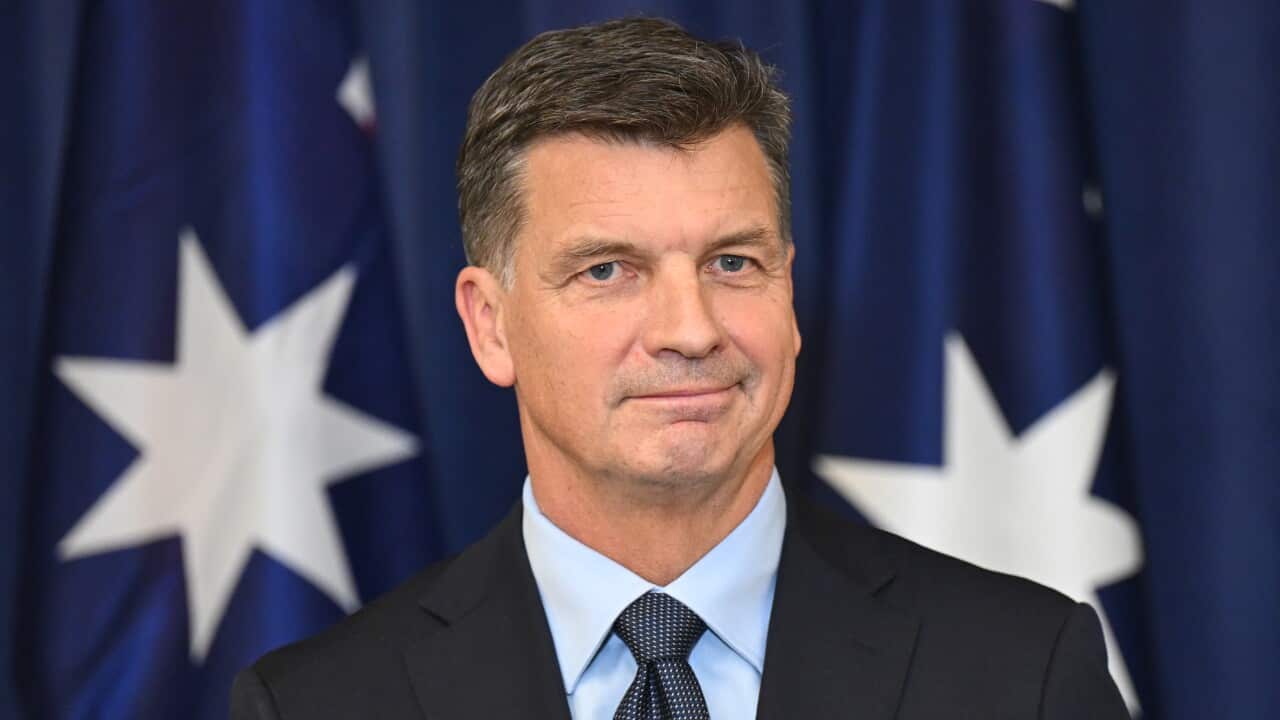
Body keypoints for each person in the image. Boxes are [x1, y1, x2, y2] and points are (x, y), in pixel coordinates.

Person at [231, 17, 1128, 719]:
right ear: (490, 326)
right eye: (606, 271)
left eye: (732, 262)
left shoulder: (1022, 674)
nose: (690, 331)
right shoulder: (318, 705)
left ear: (788, 291)